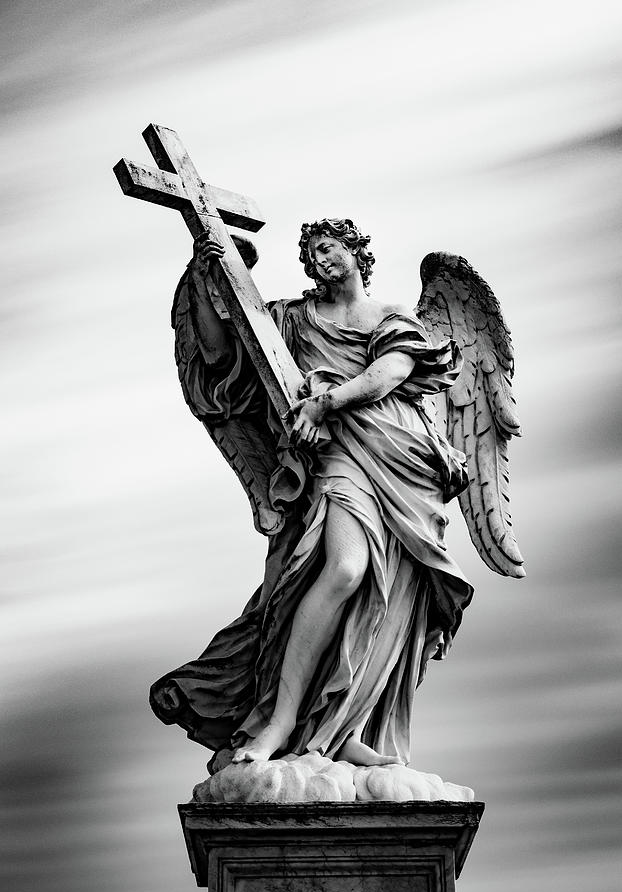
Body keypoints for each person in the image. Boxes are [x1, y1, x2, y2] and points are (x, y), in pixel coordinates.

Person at [150, 218, 473, 767]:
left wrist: (326, 401)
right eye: (309, 254)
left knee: (387, 592)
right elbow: (222, 352)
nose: (317, 260)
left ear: (355, 252)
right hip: (338, 454)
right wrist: (208, 275)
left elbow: (389, 373)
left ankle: (340, 726)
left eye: (327, 248)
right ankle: (279, 721)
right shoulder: (292, 321)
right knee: (346, 568)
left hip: (403, 460)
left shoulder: (391, 317)